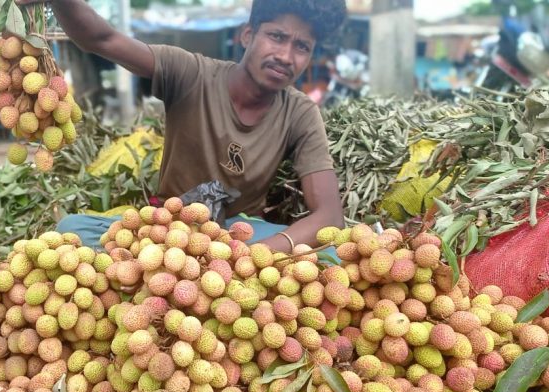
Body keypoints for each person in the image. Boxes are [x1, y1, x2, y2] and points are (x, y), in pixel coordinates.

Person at [23, 0, 348, 252]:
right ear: (248, 35)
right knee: (69, 230)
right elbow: (103, 39)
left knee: (326, 253)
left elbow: (330, 215)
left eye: (301, 47)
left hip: (238, 235)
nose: (286, 56)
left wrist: (256, 254)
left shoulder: (300, 112)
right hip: (167, 228)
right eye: (277, 37)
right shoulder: (191, 74)